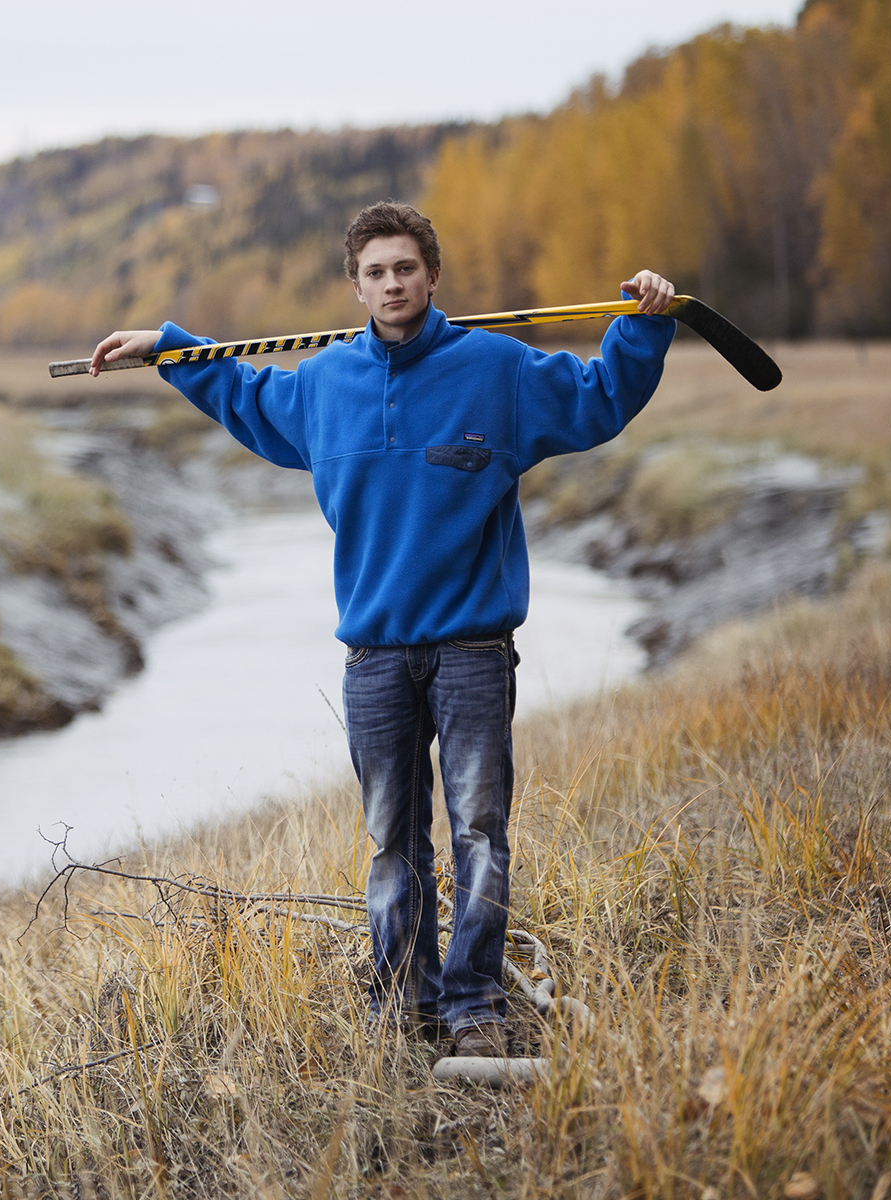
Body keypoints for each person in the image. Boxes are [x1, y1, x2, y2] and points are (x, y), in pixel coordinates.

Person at [88, 201, 676, 1057]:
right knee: (393, 843)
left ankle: (474, 1004)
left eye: (406, 268)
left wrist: (644, 323)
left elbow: (598, 399)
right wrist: (168, 346)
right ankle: (406, 1002)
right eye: (376, 272)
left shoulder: (496, 370)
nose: (392, 283)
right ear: (356, 285)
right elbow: (245, 392)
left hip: (473, 650)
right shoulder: (326, 385)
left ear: (431, 275)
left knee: (478, 831)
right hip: (373, 660)